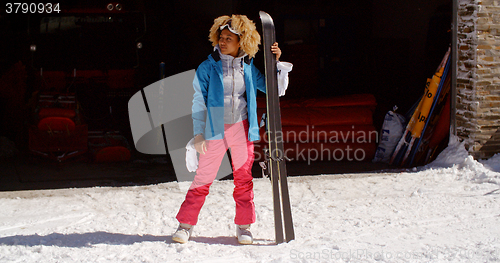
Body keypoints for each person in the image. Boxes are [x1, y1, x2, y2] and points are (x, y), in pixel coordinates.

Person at [173, 14, 292, 245]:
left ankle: (244, 227)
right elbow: (198, 101)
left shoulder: (247, 68)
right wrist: (198, 133)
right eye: (221, 37)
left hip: (242, 128)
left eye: (229, 38)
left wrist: (276, 62)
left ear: (242, 42)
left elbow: (273, 90)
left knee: (244, 178)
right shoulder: (208, 67)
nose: (223, 42)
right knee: (203, 178)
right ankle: (185, 225)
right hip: (214, 127)